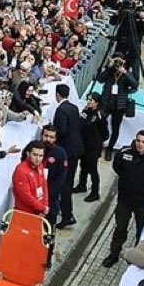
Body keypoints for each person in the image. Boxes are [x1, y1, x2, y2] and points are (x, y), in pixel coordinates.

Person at [103, 131, 144, 268]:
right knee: (120, 229)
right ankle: (113, 254)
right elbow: (117, 168)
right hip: (124, 201)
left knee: (141, 232)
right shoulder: (124, 153)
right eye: (138, 141)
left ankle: (136, 259)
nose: (140, 144)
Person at [52, 83, 84, 224]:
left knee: (64, 183)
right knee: (69, 181)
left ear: (58, 94)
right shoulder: (74, 107)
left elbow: (62, 130)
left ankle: (67, 214)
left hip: (66, 149)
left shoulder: (61, 110)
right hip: (76, 148)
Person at [96, 56, 138, 159]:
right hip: (106, 102)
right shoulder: (109, 71)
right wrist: (108, 67)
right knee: (100, 122)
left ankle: (110, 149)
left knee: (116, 128)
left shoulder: (126, 72)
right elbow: (100, 79)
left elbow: (134, 85)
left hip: (119, 105)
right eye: (116, 61)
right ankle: (99, 143)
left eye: (119, 61)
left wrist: (125, 73)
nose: (117, 64)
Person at [74, 92, 108, 202]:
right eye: (88, 99)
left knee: (92, 169)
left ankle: (95, 192)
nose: (88, 101)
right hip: (83, 144)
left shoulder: (99, 116)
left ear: (97, 103)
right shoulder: (85, 111)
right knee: (83, 165)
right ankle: (82, 184)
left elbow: (105, 134)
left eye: (91, 100)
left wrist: (96, 140)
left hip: (93, 146)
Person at [41, 124, 73, 228]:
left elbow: (61, 178)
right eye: (46, 136)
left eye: (51, 137)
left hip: (50, 197)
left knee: (48, 228)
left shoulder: (60, 153)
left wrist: (48, 194)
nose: (48, 139)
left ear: (55, 138)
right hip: (34, 194)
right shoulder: (34, 148)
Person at [12, 141, 48, 217]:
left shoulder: (40, 166)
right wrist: (43, 208)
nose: (38, 159)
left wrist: (45, 205)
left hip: (39, 212)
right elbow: (25, 196)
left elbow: (44, 185)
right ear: (28, 154)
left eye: (41, 156)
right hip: (24, 214)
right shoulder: (21, 171)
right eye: (35, 155)